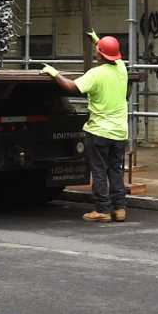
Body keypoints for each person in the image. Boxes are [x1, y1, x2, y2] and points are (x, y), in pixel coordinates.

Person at [43, 32, 128, 222]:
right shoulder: (122, 69)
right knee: (115, 170)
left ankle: (102, 210)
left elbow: (72, 87)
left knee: (98, 170)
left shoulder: (95, 74)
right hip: (120, 132)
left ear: (99, 55)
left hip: (99, 132)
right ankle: (120, 209)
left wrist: (54, 73)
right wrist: (97, 40)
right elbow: (109, 52)